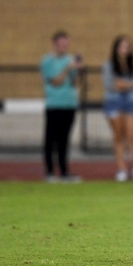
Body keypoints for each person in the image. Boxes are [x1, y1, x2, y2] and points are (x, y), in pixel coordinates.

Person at [40, 30, 84, 183]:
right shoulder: (47, 61)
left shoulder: (70, 60)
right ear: (55, 44)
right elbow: (56, 82)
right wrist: (68, 69)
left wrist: (78, 71)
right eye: (61, 44)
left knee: (64, 140)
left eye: (66, 44)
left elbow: (74, 83)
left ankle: (64, 171)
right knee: (51, 140)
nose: (64, 47)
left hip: (69, 104)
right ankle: (50, 171)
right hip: (54, 105)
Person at [102, 34, 133, 182]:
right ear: (116, 48)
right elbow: (110, 85)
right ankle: (121, 169)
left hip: (130, 102)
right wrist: (128, 84)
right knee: (119, 137)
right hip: (113, 101)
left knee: (132, 137)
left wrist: (122, 84)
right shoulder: (109, 65)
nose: (124, 50)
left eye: (127, 47)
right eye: (121, 47)